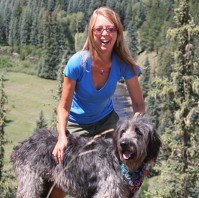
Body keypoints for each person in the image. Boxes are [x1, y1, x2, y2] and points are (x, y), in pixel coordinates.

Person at [51, 6, 145, 198]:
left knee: (115, 175)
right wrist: (62, 137)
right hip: (77, 125)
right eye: (99, 29)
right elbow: (63, 107)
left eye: (111, 29)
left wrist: (134, 129)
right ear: (91, 32)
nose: (105, 34)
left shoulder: (123, 64)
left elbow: (138, 104)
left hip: (107, 122)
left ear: (118, 33)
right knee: (62, 178)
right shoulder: (77, 63)